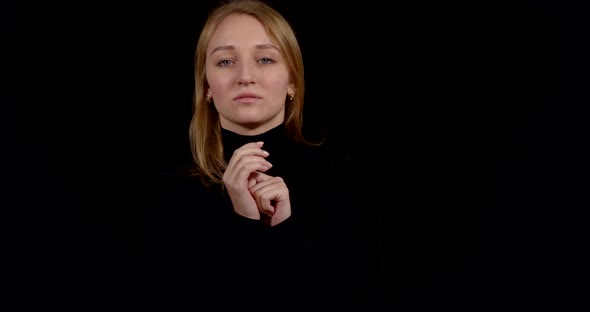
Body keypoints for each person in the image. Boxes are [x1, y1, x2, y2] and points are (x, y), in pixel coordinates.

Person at [142, 0, 384, 311]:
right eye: (226, 62)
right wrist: (244, 219)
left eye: (266, 59)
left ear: (292, 81)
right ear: (206, 86)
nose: (245, 76)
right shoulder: (167, 196)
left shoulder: (344, 183)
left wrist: (282, 228)